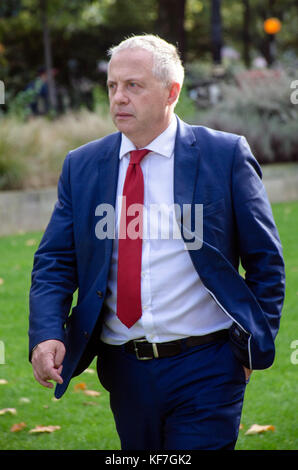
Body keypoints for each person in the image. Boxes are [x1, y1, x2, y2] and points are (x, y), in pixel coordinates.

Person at [29, 34, 285, 450]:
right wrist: (45, 333)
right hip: (123, 368)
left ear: (172, 92)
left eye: (134, 85)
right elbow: (55, 261)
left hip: (208, 365)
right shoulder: (82, 165)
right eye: (112, 86)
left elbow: (266, 261)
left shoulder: (225, 155)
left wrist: (248, 349)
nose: (119, 97)